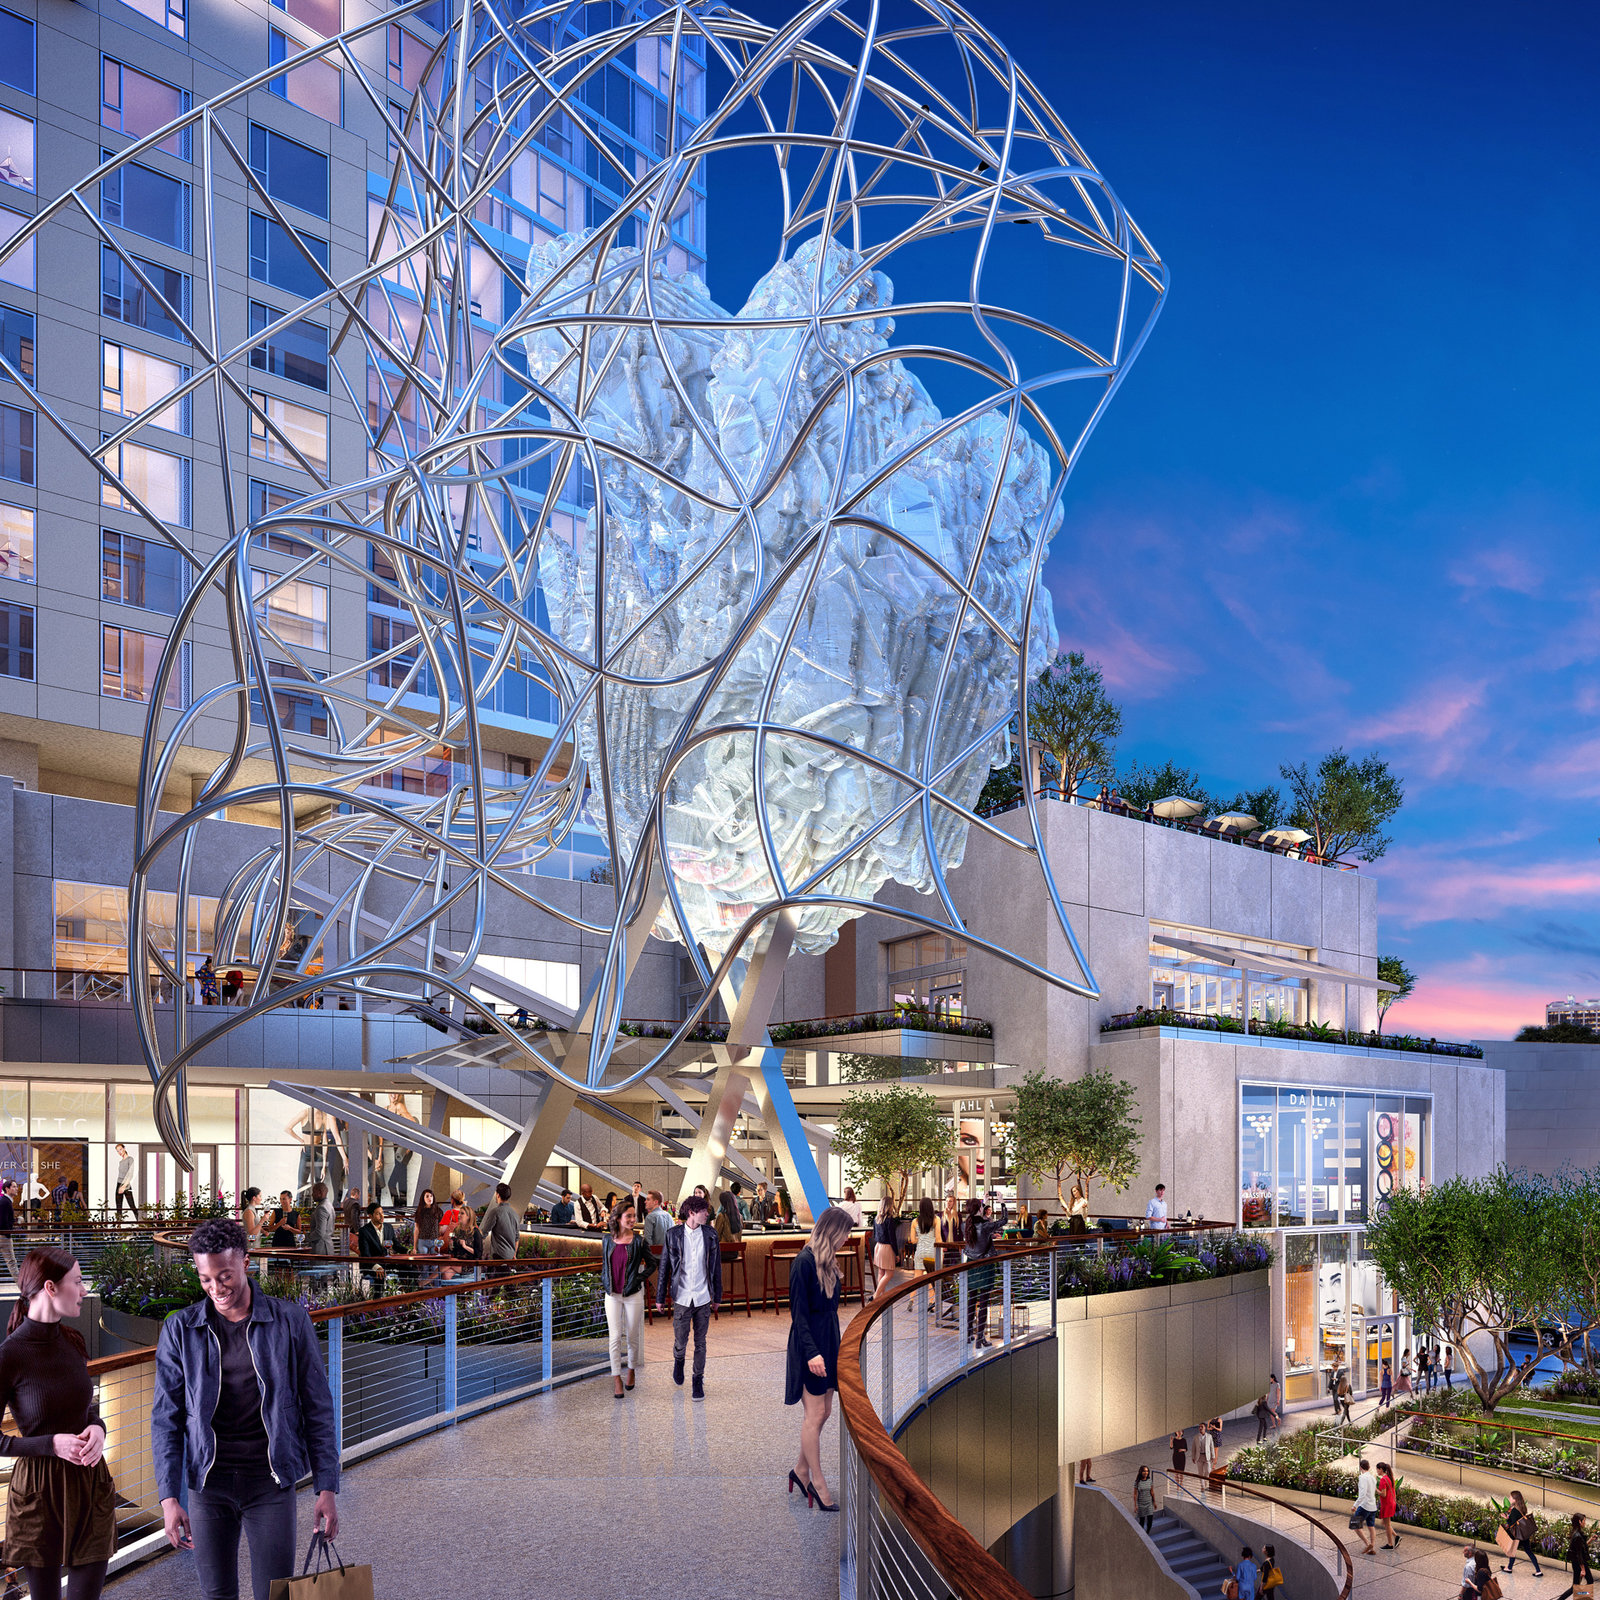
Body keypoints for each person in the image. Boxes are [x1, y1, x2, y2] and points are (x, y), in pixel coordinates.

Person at [154, 1219, 339, 1600]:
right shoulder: (180, 1329)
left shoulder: (289, 1321)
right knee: (216, 1595)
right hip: (209, 1485)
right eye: (206, 1279)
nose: (216, 1288)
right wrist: (169, 1498)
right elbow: (166, 1420)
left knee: (275, 1595)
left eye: (224, 1276)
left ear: (246, 1262)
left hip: (269, 1481)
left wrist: (327, 1486)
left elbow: (317, 1407)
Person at [0, 1248, 115, 1600]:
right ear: (50, 1287)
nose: (84, 1291)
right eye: (78, 1282)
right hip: (39, 1490)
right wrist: (51, 1444)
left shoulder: (73, 1342)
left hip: (90, 1480)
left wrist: (98, 1428)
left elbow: (85, 1410)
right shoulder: (10, 1355)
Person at [785, 1205, 852, 1512]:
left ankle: (800, 1470)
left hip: (828, 1339)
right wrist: (812, 1352)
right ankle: (817, 1482)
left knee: (824, 1411)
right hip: (809, 1344)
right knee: (814, 1416)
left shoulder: (826, 1261)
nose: (847, 1239)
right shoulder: (803, 1263)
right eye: (844, 1233)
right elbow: (798, 1316)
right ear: (832, 1231)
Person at [658, 1194, 721, 1398]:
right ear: (692, 1213)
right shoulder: (673, 1234)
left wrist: (717, 1296)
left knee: (700, 1342)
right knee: (681, 1341)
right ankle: (678, 1360)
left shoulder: (711, 1234)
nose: (707, 1214)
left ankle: (697, 1380)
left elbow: (716, 1268)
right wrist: (660, 1297)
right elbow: (664, 1267)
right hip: (682, 1297)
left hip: (703, 1297)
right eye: (704, 1211)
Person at [603, 1202, 655, 1398]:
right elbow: (605, 1265)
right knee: (615, 1337)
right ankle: (616, 1377)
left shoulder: (639, 1242)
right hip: (612, 1295)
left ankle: (631, 1370)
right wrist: (605, 1281)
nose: (633, 1220)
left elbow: (652, 1264)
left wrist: (639, 1279)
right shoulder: (607, 1240)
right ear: (618, 1218)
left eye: (634, 1216)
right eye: (629, 1216)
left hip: (633, 1294)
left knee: (632, 1337)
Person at [480, 1182, 521, 1266]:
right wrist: (514, 1254)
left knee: (497, 1278)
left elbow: (484, 1233)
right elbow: (517, 1238)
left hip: (499, 1255)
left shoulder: (495, 1212)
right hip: (511, 1257)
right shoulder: (515, 1213)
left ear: (497, 1195)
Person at [1503, 1489, 1543, 1575]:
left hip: (1517, 1534)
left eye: (1510, 1497)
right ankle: (1538, 1570)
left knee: (1512, 1551)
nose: (1509, 1499)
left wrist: (1507, 1519)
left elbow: (1512, 1524)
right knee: (1529, 1551)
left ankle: (1509, 1568)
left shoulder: (1514, 1511)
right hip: (1524, 1534)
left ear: (1515, 1500)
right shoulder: (1522, 1508)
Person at [1553, 1512, 1592, 1600]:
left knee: (1584, 1583)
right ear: (1579, 1521)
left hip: (1579, 1562)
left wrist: (1590, 1540)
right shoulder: (1577, 1536)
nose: (1585, 1523)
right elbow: (1579, 1554)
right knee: (1576, 1586)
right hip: (1579, 1563)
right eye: (1584, 1521)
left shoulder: (1577, 1533)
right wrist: (1583, 1569)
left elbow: (1581, 1547)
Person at [870, 1203, 904, 1300]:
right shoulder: (889, 1220)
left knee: (881, 1272)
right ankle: (876, 1295)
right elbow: (892, 1238)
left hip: (878, 1246)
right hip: (886, 1248)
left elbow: (875, 1235)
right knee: (889, 1273)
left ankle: (882, 1297)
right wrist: (896, 1254)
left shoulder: (876, 1219)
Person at [357, 1203, 390, 1286]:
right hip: (371, 1265)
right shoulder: (364, 1231)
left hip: (387, 1264)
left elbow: (396, 1245)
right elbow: (365, 1254)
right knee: (380, 1276)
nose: (382, 1216)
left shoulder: (388, 1228)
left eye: (382, 1213)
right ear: (370, 1216)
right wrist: (376, 1267)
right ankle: (379, 1298)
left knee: (410, 1270)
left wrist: (409, 1251)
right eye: (378, 1214)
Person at [1354, 1458, 1378, 1555]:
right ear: (1369, 1467)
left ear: (1360, 1467)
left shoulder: (1362, 1477)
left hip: (1364, 1506)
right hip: (1373, 1506)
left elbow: (1362, 1494)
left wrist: (1355, 1505)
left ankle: (1367, 1544)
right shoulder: (1373, 1477)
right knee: (1371, 1526)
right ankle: (1372, 1547)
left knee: (1355, 1525)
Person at [305, 1182, 334, 1256]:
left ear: (320, 1192)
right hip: (328, 1247)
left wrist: (306, 1237)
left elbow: (319, 1232)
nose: (312, 1194)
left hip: (320, 1248)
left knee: (319, 1268)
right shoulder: (329, 1205)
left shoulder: (321, 1208)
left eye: (314, 1192)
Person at [913, 1198, 940, 1276]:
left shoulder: (915, 1221)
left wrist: (921, 1238)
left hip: (920, 1252)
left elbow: (913, 1240)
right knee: (931, 1278)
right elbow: (938, 1239)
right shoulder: (936, 1219)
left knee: (917, 1280)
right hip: (932, 1252)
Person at [413, 1188, 444, 1254]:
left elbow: (441, 1227)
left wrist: (440, 1240)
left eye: (431, 1196)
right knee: (424, 1262)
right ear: (423, 1199)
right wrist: (414, 1247)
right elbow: (416, 1229)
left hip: (435, 1240)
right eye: (427, 1196)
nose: (429, 1198)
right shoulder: (419, 1212)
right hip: (422, 1240)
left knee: (435, 1262)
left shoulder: (438, 1211)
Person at [1377, 1461, 1399, 1550]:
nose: (1377, 1471)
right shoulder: (1391, 1478)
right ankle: (1396, 1537)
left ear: (1381, 1469)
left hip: (1386, 1504)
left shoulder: (1383, 1480)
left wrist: (1375, 1489)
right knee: (1385, 1523)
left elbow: (1383, 1494)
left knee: (1387, 1525)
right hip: (1391, 1503)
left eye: (1377, 1469)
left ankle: (1390, 1544)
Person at [113, 1143, 138, 1220]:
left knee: (132, 1205)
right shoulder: (120, 1162)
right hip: (119, 1183)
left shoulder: (130, 1159)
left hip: (126, 1184)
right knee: (119, 1207)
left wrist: (124, 1186)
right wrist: (120, 1186)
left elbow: (130, 1174)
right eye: (117, 1151)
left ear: (124, 1148)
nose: (119, 1152)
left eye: (120, 1149)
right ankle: (118, 1226)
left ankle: (140, 1223)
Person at [0, 1181, 16, 1281]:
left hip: (3, 1235)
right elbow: (3, 1220)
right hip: (3, 1237)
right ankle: (24, 1292)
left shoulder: (5, 1201)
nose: (17, 1188)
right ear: (7, 1189)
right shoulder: (5, 1202)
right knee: (12, 1263)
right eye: (14, 1187)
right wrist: (8, 1233)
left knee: (12, 1263)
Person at [1134, 1464, 1157, 1534]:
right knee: (1142, 1521)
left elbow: (1152, 1492)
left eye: (1147, 1471)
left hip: (1149, 1503)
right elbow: (1135, 1494)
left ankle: (1147, 1533)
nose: (1146, 1473)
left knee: (1150, 1520)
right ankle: (1141, 1535)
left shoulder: (1149, 1481)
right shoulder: (1137, 1482)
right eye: (1144, 1471)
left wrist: (1154, 1502)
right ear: (1141, 1472)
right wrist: (1135, 1506)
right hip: (1141, 1503)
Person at [1197, 1416, 1218, 1488]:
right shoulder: (1196, 1437)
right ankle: (1202, 1485)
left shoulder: (1209, 1436)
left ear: (1204, 1427)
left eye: (1202, 1427)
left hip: (1207, 1456)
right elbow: (1194, 1448)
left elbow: (1212, 1446)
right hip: (1199, 1456)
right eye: (1199, 1427)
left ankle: (1206, 1482)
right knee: (1200, 1472)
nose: (1200, 1428)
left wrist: (1213, 1456)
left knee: (1207, 1471)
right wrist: (1194, 1456)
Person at [239, 1187, 262, 1252]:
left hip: (255, 1243)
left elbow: (254, 1226)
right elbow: (251, 1232)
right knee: (253, 1261)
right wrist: (262, 1220)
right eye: (260, 1196)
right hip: (251, 1245)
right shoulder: (249, 1211)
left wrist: (263, 1231)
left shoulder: (252, 1210)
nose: (261, 1199)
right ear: (254, 1198)